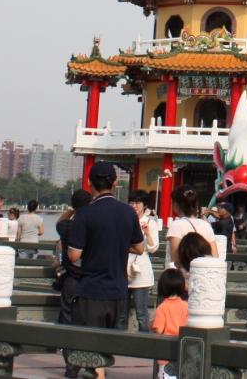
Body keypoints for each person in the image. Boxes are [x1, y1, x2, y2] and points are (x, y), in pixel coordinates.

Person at [66, 162, 146, 332]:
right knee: (110, 342)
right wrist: (117, 244)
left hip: (91, 290)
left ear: (89, 182)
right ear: (115, 182)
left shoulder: (84, 213)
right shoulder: (128, 212)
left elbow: (74, 256)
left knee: (87, 343)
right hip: (118, 291)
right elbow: (139, 248)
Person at [54, 188, 91, 379]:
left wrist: (72, 209)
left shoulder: (66, 226)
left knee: (68, 320)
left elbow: (59, 222)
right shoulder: (94, 227)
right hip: (91, 280)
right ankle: (94, 365)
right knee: (90, 322)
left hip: (71, 280)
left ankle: (71, 366)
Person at [124, 191, 161, 333]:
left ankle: (144, 340)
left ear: (144, 205)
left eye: (138, 203)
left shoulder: (150, 222)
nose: (134, 206)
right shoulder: (124, 220)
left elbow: (153, 248)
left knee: (141, 314)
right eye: (132, 202)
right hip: (124, 268)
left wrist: (147, 233)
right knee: (122, 313)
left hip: (141, 271)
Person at [151, 269, 188, 376]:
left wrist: (151, 324)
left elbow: (158, 330)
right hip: (183, 349)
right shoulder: (186, 306)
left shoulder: (162, 308)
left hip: (166, 352)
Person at [165, 187, 217, 264]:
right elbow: (215, 256)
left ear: (176, 205)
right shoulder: (206, 225)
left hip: (185, 271)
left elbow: (176, 260)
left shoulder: (176, 225)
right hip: (204, 270)